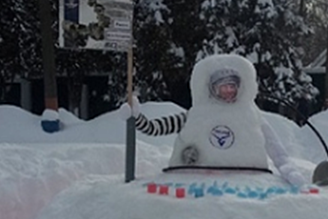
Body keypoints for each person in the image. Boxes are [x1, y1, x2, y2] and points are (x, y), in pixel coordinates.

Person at [119, 54, 306, 186]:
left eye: (232, 86)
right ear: (213, 89)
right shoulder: (197, 114)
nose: (228, 91)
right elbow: (155, 129)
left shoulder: (250, 114)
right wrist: (136, 118)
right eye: (223, 87)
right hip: (193, 178)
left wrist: (288, 169)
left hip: (249, 178)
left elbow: (275, 147)